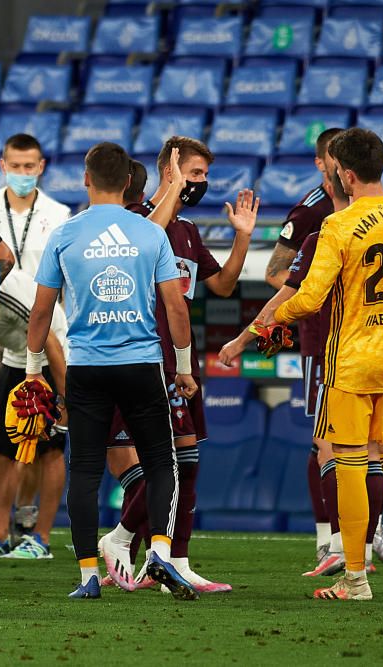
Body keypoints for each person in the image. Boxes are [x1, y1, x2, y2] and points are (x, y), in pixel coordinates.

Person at [265, 128, 383, 601]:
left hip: (350, 362)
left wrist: (271, 320)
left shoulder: (338, 225)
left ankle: (356, 578)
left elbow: (308, 298)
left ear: (344, 174)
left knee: (348, 466)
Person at [25, 141, 198, 600]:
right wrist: (181, 366)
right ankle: (159, 551)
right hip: (141, 364)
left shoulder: (65, 234)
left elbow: (41, 312)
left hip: (85, 367)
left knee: (83, 470)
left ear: (86, 179)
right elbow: (175, 308)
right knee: (163, 463)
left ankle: (86, 577)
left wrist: (32, 368)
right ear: (127, 182)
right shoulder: (149, 234)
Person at [99, 136, 254, 594]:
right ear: (172, 170)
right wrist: (169, 188)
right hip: (142, 356)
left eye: (205, 175)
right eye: (195, 173)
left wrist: (243, 237)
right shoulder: (135, 220)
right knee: (164, 463)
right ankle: (125, 537)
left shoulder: (186, 228)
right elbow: (148, 236)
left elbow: (223, 285)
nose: (201, 183)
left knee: (186, 462)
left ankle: (173, 562)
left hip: (179, 357)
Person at [0, 133, 69, 558]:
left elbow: (62, 280)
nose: (23, 173)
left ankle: (39, 536)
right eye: (15, 166)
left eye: (31, 166)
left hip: (48, 332)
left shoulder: (59, 214)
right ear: (2, 165)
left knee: (49, 443)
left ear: (41, 167)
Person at [263, 129, 340, 290]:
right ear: (320, 164)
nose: (342, 161)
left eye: (347, 154)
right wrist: (317, 299)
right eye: (335, 155)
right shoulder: (310, 211)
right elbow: (274, 273)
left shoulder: (363, 201)